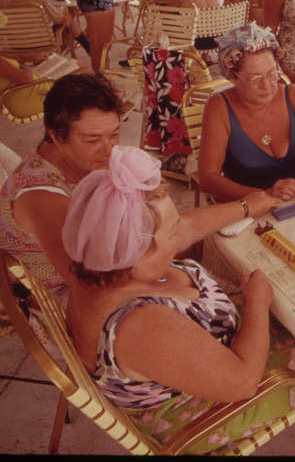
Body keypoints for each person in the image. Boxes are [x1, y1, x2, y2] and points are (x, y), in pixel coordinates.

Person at [60, 145, 295, 454]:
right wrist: (256, 304)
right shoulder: (141, 325)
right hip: (208, 412)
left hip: (198, 359)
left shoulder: (105, 258)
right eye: (171, 234)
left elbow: (188, 227)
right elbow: (241, 384)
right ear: (135, 254)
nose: (180, 236)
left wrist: (253, 204)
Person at [0, 74, 277, 304]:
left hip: (113, 282)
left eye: (114, 133)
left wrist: (250, 205)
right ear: (54, 134)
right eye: (92, 139)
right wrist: (178, 292)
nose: (109, 150)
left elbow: (174, 227)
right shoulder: (42, 197)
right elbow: (89, 288)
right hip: (73, 308)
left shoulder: (88, 163)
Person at [199, 23, 295, 203]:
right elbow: (208, 179)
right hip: (249, 210)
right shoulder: (219, 107)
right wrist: (265, 196)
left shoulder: (293, 95)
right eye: (255, 78)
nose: (267, 85)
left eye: (272, 73)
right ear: (232, 77)